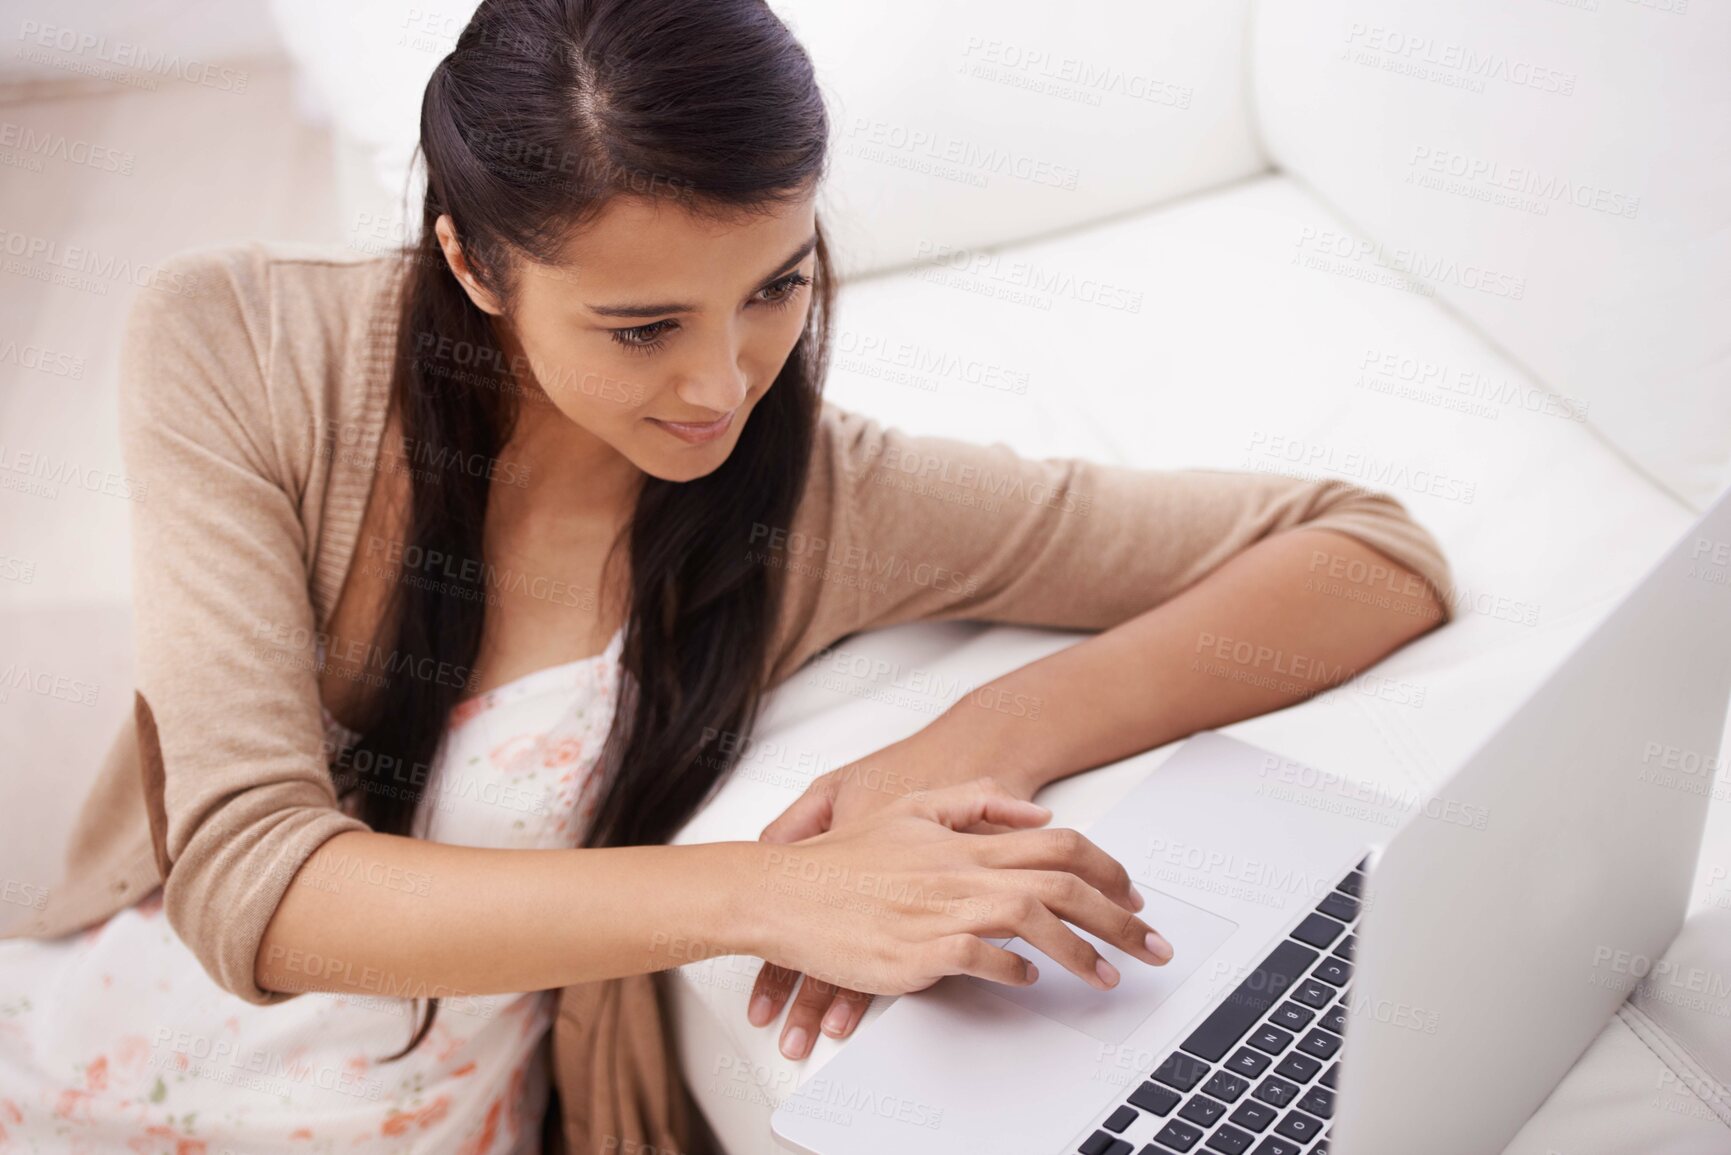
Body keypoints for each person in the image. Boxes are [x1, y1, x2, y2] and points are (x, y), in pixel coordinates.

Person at [0, 0, 1453, 1151]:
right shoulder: (237, 347)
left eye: (775, 285)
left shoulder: (823, 503)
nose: (723, 385)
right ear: (475, 263)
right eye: (641, 327)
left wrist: (964, 744)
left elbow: (1366, 552)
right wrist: (773, 894)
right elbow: (256, 889)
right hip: (91, 1058)